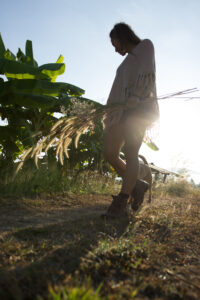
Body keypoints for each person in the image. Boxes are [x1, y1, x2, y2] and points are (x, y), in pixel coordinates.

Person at [102, 22, 159, 218]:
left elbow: (147, 73)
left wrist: (136, 95)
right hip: (121, 111)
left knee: (131, 151)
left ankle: (122, 200)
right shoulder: (124, 63)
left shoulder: (145, 46)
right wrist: (111, 109)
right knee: (109, 152)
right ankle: (137, 185)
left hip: (139, 109)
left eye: (114, 43)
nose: (115, 48)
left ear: (121, 36)